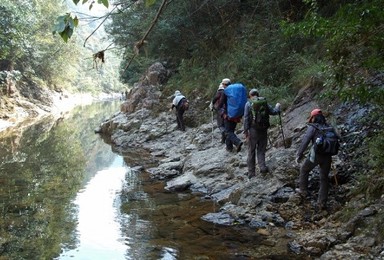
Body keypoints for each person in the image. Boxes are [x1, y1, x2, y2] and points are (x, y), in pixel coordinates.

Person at [295, 108, 336, 211]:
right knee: (324, 178)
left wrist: (299, 154)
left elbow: (305, 141)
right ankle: (322, 203)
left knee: (304, 170)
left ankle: (303, 191)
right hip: (328, 156)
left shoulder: (313, 128)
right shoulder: (329, 127)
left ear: (313, 117)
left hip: (316, 155)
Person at [243, 88, 281, 176]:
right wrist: (278, 106)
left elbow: (246, 118)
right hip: (263, 130)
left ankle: (251, 172)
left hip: (253, 130)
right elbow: (274, 112)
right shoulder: (264, 102)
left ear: (250, 95)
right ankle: (262, 167)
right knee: (261, 149)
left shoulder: (248, 104)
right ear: (258, 94)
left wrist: (245, 131)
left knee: (251, 151)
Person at [218, 78, 243, 153]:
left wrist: (220, 111)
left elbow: (221, 104)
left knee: (228, 131)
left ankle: (237, 142)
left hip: (228, 115)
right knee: (230, 130)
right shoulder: (235, 91)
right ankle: (229, 148)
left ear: (224, 85)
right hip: (236, 114)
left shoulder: (225, 92)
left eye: (223, 84)